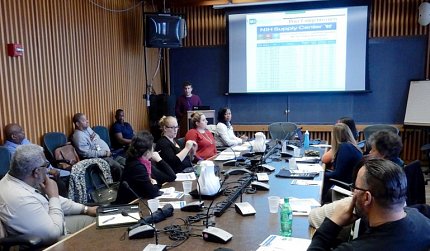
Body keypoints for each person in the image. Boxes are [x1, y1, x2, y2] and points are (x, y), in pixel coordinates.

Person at [308, 158, 430, 250]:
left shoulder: (356, 248)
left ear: (367, 197)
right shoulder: (422, 220)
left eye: (355, 187)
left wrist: (333, 223)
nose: (353, 193)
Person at [0, 144, 97, 245]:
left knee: (100, 221)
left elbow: (50, 201)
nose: (47, 170)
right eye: (46, 165)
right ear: (36, 172)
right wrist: (53, 196)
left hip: (54, 222)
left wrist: (86, 209)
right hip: (48, 241)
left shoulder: (21, 178)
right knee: (92, 241)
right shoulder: (19, 198)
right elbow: (53, 234)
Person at [310, 130, 405, 229]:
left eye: (373, 150)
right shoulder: (398, 171)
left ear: (383, 154)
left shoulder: (380, 176)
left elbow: (314, 217)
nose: (369, 153)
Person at [3, 123, 70, 197]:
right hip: (34, 175)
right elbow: (29, 168)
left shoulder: (24, 142)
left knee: (71, 175)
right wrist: (48, 170)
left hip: (45, 167)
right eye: (21, 131)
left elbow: (39, 153)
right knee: (61, 184)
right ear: (14, 136)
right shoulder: (11, 151)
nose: (24, 132)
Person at [116, 131, 176, 204]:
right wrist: (155, 183)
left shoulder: (145, 163)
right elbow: (152, 192)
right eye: (152, 147)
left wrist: (159, 160)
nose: (154, 150)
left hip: (140, 202)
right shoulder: (137, 166)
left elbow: (171, 176)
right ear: (147, 152)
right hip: (128, 206)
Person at [71, 113, 123, 181]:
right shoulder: (78, 136)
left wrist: (93, 141)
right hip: (99, 158)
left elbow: (97, 137)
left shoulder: (87, 129)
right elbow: (87, 153)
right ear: (77, 124)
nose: (87, 121)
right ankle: (119, 186)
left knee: (125, 161)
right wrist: (104, 153)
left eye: (86, 119)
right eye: (84, 120)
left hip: (107, 154)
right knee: (118, 167)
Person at [322, 123, 362, 202]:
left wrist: (321, 174)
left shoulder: (345, 148)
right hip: (349, 182)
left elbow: (337, 174)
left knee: (320, 182)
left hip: (345, 185)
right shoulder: (350, 146)